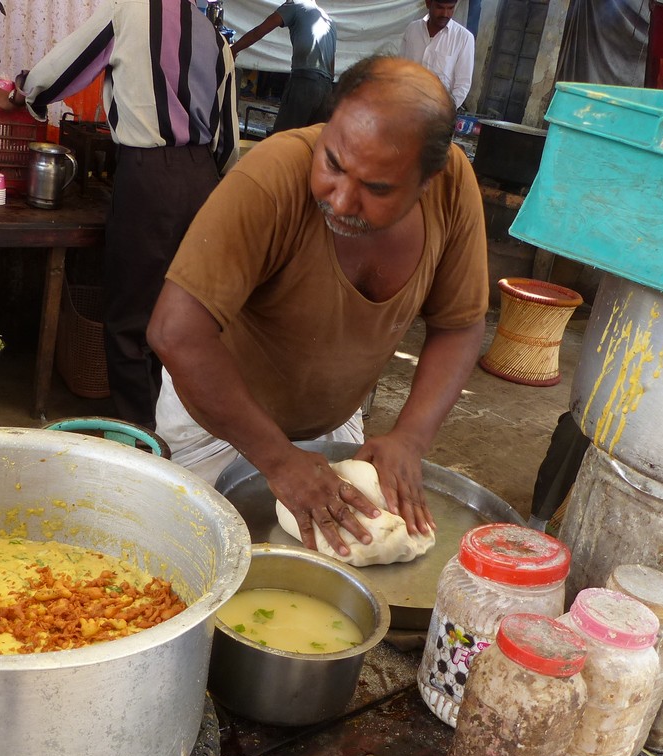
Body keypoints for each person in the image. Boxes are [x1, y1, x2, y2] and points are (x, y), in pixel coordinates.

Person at [148, 56, 487, 556]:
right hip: (217, 426)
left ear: (427, 181)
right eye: (333, 164)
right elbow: (176, 332)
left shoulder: (453, 188)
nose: (342, 201)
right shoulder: (271, 178)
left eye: (376, 188)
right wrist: (279, 460)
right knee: (199, 560)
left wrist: (411, 438)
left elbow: (459, 325)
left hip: (331, 427)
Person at [0, 0, 239, 430]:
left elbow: (64, 67)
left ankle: (140, 437)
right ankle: (173, 427)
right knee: (180, 317)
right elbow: (228, 141)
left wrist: (20, 95)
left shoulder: (129, 12)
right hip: (204, 181)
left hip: (148, 178)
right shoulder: (216, 41)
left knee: (129, 323)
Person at [231, 0, 337, 133]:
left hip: (305, 82)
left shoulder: (296, 4)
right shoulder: (329, 21)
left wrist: (232, 50)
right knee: (311, 140)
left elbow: (258, 32)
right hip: (326, 89)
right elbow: (332, 67)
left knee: (283, 137)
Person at [399, 1, 474, 110]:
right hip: (406, 106)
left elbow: (462, 84)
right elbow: (401, 68)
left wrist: (446, 111)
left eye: (450, 8)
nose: (445, 14)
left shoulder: (464, 38)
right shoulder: (412, 29)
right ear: (428, 3)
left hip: (437, 112)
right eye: (440, 7)